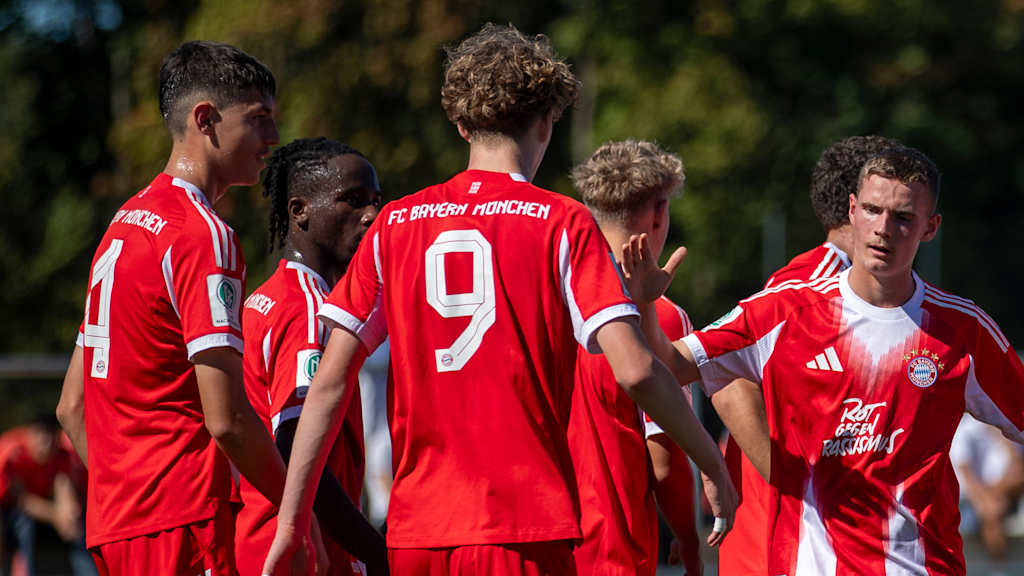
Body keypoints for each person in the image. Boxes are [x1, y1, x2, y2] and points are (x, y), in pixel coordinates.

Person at [263, 23, 735, 576]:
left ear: (461, 126)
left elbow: (330, 384)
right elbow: (634, 369)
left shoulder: (394, 224)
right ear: (546, 120)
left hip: (418, 535)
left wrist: (293, 519)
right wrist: (712, 463)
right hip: (522, 529)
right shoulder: (562, 221)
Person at [624, 145, 1024, 574]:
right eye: (872, 210)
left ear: (931, 227)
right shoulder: (783, 309)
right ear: (852, 210)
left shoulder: (963, 329)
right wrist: (645, 307)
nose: (883, 229)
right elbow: (663, 366)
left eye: (903, 217)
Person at [55, 40, 318, 575]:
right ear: (206, 119)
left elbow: (71, 407)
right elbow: (227, 420)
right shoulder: (202, 234)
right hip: (182, 521)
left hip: (117, 526)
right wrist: (295, 514)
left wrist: (128, 496)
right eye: (260, 118)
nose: (273, 138)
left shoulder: (121, 226)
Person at [714, 134, 900, 576]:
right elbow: (722, 374)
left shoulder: (860, 288)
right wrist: (800, 491)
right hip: (779, 546)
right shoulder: (812, 282)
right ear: (856, 205)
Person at [235, 137, 388, 576]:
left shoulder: (266, 298)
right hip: (305, 552)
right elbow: (294, 444)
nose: (371, 215)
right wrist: (378, 554)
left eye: (376, 201)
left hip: (261, 541)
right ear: (299, 210)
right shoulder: (308, 310)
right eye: (352, 200)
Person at [568, 139, 703, 576]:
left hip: (530, 541)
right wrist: (690, 541)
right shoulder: (659, 317)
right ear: (659, 213)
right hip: (612, 548)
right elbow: (664, 458)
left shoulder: (546, 295)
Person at [0, 414, 94, 576]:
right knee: (24, 524)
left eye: (50, 436)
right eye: (40, 436)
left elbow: (64, 487)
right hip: (8, 507)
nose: (46, 443)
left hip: (39, 507)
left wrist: (69, 514)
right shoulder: (12, 452)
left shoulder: (62, 453)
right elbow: (21, 500)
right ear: (29, 435)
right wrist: (56, 516)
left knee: (77, 526)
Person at [950, 414, 1024, 561]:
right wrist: (986, 501)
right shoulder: (965, 428)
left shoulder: (1009, 425)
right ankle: (999, 562)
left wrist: (1003, 438)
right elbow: (965, 473)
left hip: (1005, 495)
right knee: (991, 509)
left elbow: (1018, 471)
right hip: (974, 500)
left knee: (992, 509)